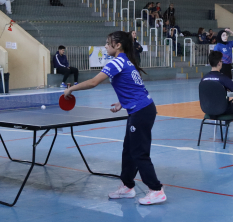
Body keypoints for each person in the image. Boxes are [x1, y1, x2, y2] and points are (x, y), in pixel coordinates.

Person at [63, 31, 166, 205]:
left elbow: (93, 82)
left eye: (107, 42)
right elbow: (134, 86)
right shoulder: (126, 61)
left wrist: (71, 89)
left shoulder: (117, 62)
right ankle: (127, 186)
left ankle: (156, 190)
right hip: (139, 109)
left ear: (117, 45)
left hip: (141, 111)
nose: (105, 46)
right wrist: (122, 102)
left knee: (139, 153)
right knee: (128, 150)